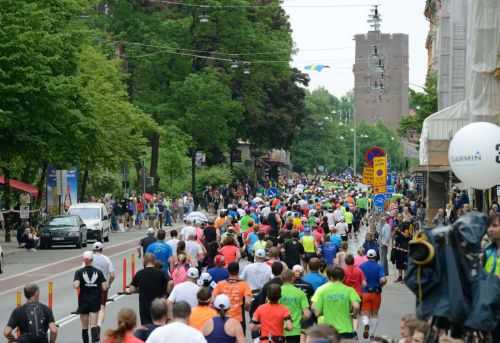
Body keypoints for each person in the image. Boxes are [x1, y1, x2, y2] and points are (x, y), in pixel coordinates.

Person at [312, 266, 360, 340]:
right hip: (346, 329)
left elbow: (317, 312)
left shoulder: (324, 291)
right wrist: (354, 315)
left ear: (330, 278)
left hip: (330, 330)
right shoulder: (349, 290)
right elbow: (356, 306)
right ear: (343, 277)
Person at [127, 253, 170, 325]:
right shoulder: (161, 273)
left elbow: (132, 289)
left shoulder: (139, 273)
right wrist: (166, 293)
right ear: (154, 261)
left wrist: (138, 289)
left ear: (144, 261)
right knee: (159, 325)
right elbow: (171, 282)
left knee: (146, 327)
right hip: (159, 305)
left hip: (145, 306)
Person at [74, 251, 107, 343]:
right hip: (95, 301)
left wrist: (79, 283)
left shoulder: (79, 272)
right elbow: (104, 287)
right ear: (92, 260)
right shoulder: (98, 272)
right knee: (93, 325)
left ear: (84, 260)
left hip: (83, 301)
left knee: (84, 327)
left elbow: (76, 285)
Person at [212, 262, 252, 330]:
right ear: (238, 271)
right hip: (237, 319)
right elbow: (248, 302)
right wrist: (246, 308)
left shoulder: (220, 284)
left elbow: (212, 300)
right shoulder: (244, 285)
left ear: (228, 270)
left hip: (222, 318)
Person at [359, 249, 387, 339]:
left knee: (365, 312)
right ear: (375, 256)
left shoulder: (362, 266)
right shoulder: (379, 267)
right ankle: (372, 334)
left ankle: (366, 324)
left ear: (367, 256)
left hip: (365, 293)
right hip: (376, 293)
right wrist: (380, 286)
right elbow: (383, 279)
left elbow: (360, 280)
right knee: (375, 313)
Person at [279, 270, 310, 343]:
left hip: (279, 329)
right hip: (295, 329)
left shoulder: (277, 292)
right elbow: (307, 313)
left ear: (281, 278)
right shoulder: (300, 293)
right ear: (293, 278)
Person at [91, 242, 115, 328]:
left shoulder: (89, 259)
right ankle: (99, 324)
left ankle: (93, 326)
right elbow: (112, 275)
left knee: (92, 308)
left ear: (93, 250)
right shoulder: (107, 259)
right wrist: (108, 284)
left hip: (90, 286)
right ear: (102, 249)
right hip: (102, 286)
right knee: (102, 307)